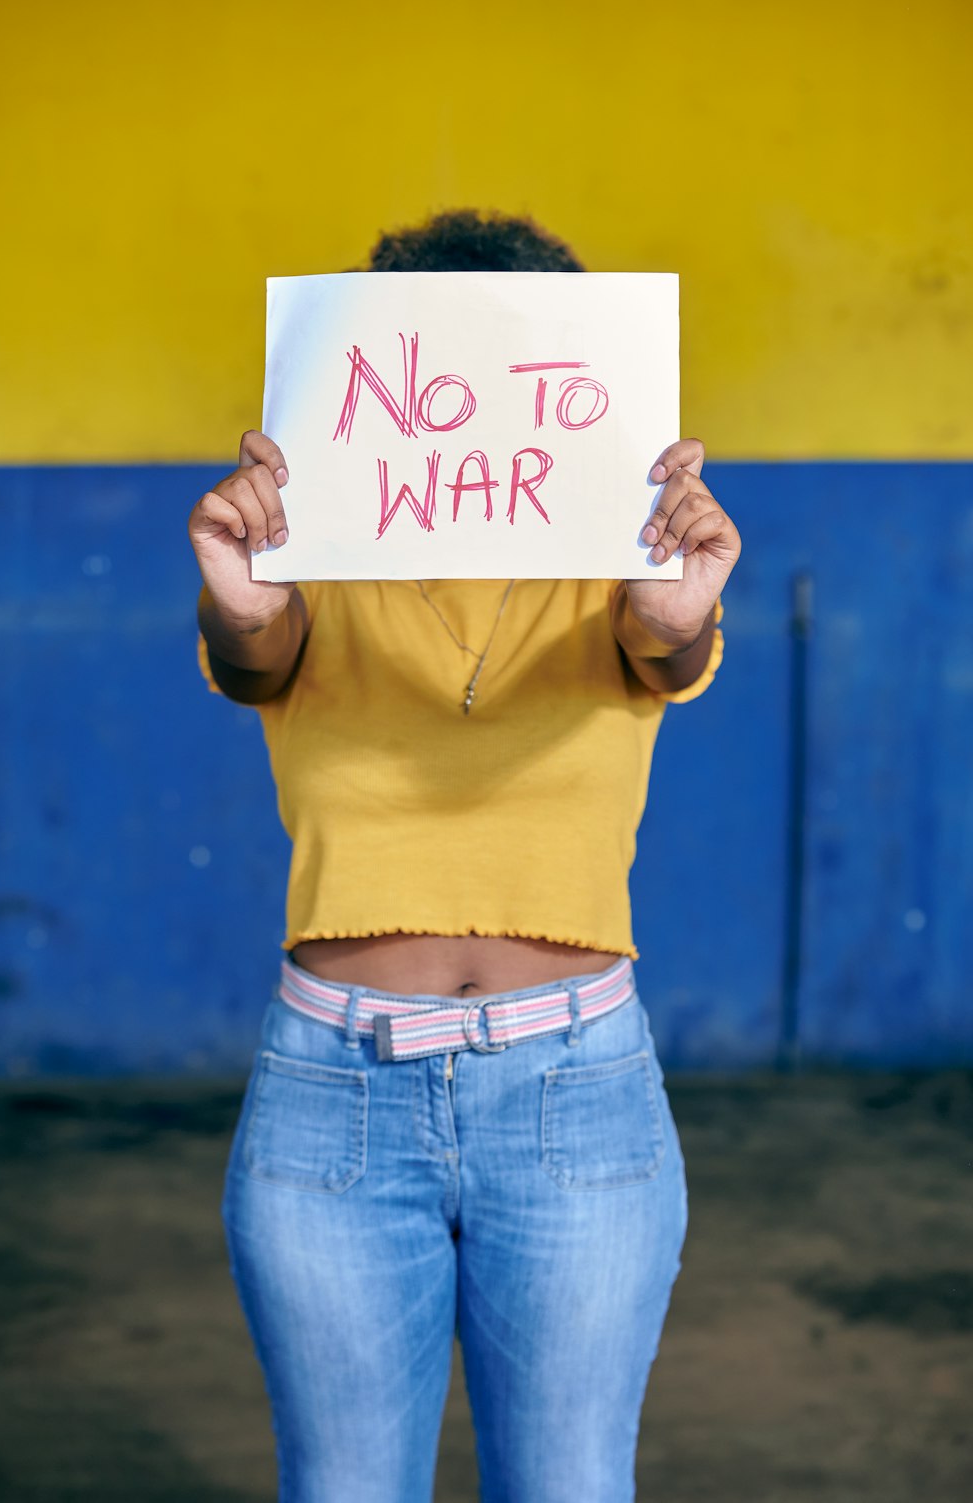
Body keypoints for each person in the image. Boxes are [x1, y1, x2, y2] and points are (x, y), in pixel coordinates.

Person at [189, 210, 741, 1503]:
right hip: (334, 1091)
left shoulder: (627, 557)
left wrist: (678, 603)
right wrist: (237, 591)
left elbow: (668, 650)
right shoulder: (309, 544)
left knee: (569, 1486)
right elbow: (251, 654)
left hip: (577, 1092)